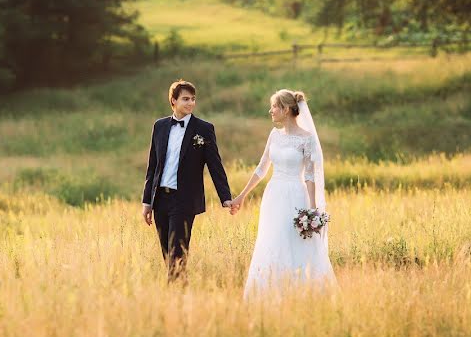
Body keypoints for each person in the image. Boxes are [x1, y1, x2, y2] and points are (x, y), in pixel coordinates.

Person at [230, 89, 336, 297]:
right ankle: (270, 293)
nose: (270, 111)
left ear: (286, 110)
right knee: (271, 241)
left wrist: (313, 210)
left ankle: (299, 293)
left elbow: (310, 177)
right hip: (273, 196)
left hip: (296, 196)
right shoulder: (274, 135)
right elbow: (261, 169)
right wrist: (241, 196)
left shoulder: (307, 139)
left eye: (274, 107)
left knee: (296, 243)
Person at [142, 80, 233, 282]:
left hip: (184, 200)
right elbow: (152, 166)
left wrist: (225, 197)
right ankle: (179, 289)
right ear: (173, 101)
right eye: (185, 99)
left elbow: (215, 165)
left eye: (193, 99)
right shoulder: (160, 126)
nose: (190, 103)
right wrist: (147, 202)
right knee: (167, 254)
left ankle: (175, 294)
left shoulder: (204, 129)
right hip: (160, 200)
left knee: (177, 254)